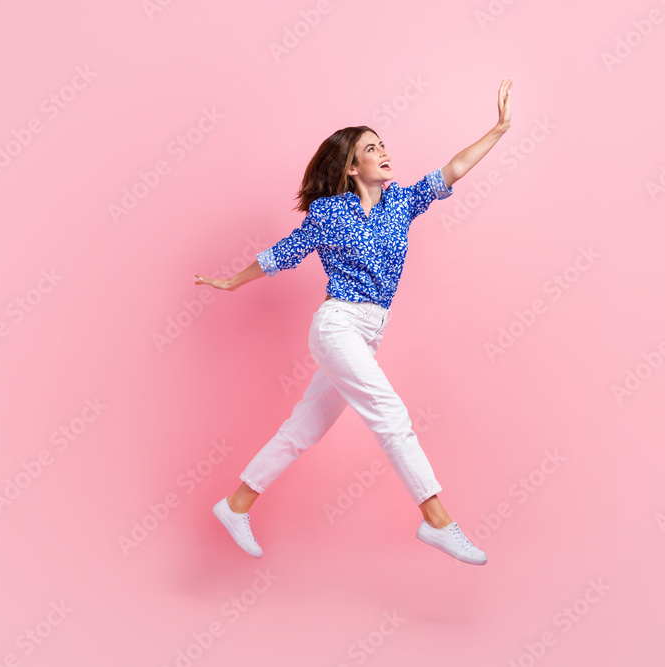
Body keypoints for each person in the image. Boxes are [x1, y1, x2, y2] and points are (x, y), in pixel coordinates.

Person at [194, 79, 513, 565]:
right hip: (337, 325)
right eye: (371, 148)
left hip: (368, 334)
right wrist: (232, 282)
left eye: (383, 144)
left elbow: (455, 168)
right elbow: (283, 254)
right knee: (392, 418)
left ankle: (236, 505)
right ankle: (438, 521)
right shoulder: (328, 212)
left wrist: (499, 129)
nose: (384, 152)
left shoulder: (401, 203)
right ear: (351, 165)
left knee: (303, 429)